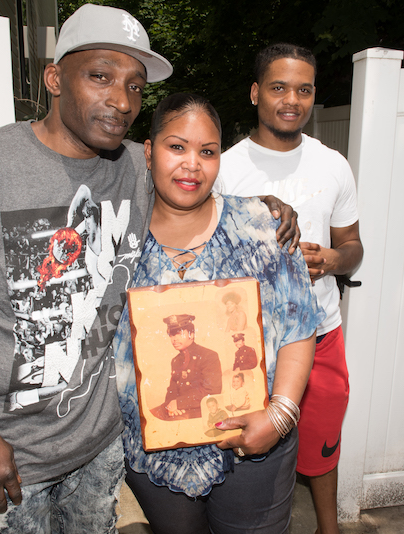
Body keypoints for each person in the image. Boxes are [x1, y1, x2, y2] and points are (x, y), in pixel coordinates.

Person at [0, 4, 174, 532]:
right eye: (100, 76)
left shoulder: (140, 165)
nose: (121, 100)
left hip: (100, 446)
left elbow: (202, 189)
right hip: (5, 459)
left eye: (136, 86)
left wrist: (269, 208)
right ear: (54, 78)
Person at [113, 93, 324, 534]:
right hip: (157, 456)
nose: (192, 163)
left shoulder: (262, 225)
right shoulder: (115, 237)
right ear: (149, 152)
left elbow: (300, 324)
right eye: (176, 147)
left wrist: (280, 416)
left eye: (207, 152)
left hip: (255, 447)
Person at [215, 43, 364, 534]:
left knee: (322, 444)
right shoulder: (225, 168)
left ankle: (329, 527)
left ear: (314, 95)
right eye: (279, 87)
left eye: (303, 89)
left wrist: (334, 260)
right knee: (246, 450)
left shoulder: (333, 165)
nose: (291, 100)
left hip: (321, 335)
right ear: (256, 92)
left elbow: (355, 246)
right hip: (246, 343)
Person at [151, 314, 222, 420]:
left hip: (198, 409)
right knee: (149, 415)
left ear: (191, 334)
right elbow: (172, 390)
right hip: (178, 408)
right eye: (171, 335)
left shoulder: (208, 355)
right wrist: (170, 406)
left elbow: (211, 391)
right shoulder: (176, 361)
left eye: (179, 333)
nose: (174, 339)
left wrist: (179, 404)